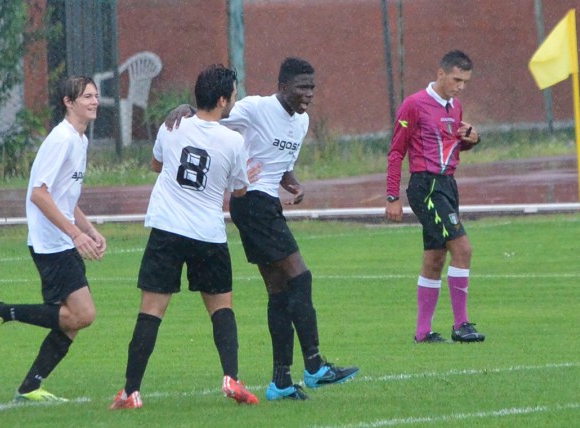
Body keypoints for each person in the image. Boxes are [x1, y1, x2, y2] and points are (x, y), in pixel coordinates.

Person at [167, 57, 359, 401]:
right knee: (301, 277)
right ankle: (315, 366)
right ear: (283, 86)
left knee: (280, 292)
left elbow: (280, 166)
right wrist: (187, 108)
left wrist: (294, 184)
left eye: (312, 87)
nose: (309, 94)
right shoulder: (256, 108)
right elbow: (213, 114)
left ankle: (280, 382)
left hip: (265, 203)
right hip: (253, 202)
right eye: (302, 87)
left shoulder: (301, 122)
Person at [110, 64, 259, 410]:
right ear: (222, 100)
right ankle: (231, 378)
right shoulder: (233, 141)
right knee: (221, 308)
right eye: (233, 94)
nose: (235, 99)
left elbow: (157, 165)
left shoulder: (172, 125)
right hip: (208, 235)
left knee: (151, 312)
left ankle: (130, 391)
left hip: (167, 230)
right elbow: (239, 191)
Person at [0, 76, 105, 402]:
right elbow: (39, 194)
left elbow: (64, 197)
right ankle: (1, 311)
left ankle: (30, 387)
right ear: (68, 102)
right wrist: (75, 233)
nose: (94, 101)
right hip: (51, 242)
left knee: (72, 321)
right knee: (82, 315)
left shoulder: (79, 140)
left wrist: (89, 229)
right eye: (86, 96)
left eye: (95, 95)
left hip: (62, 240)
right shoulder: (61, 139)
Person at [385, 50, 485, 344]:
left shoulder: (456, 107)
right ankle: (461, 324)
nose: (460, 86)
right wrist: (392, 196)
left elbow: (452, 145)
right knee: (463, 249)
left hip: (448, 185)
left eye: (465, 82)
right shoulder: (414, 105)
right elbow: (396, 151)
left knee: (435, 256)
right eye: (456, 79)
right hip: (426, 186)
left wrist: (472, 140)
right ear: (441, 74)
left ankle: (423, 332)